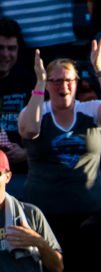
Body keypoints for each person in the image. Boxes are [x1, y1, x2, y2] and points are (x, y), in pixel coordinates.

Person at [18, 40, 101, 272]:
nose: (62, 86)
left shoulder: (90, 109)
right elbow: (29, 130)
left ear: (77, 83)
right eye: (55, 81)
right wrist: (39, 84)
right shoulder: (37, 110)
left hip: (88, 213)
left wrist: (99, 68)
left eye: (68, 80)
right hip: (45, 215)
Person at [0, 17, 34, 166]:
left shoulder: (30, 82)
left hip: (22, 168)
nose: (6, 55)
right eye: (0, 48)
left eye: (11, 48)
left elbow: (49, 129)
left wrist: (26, 153)